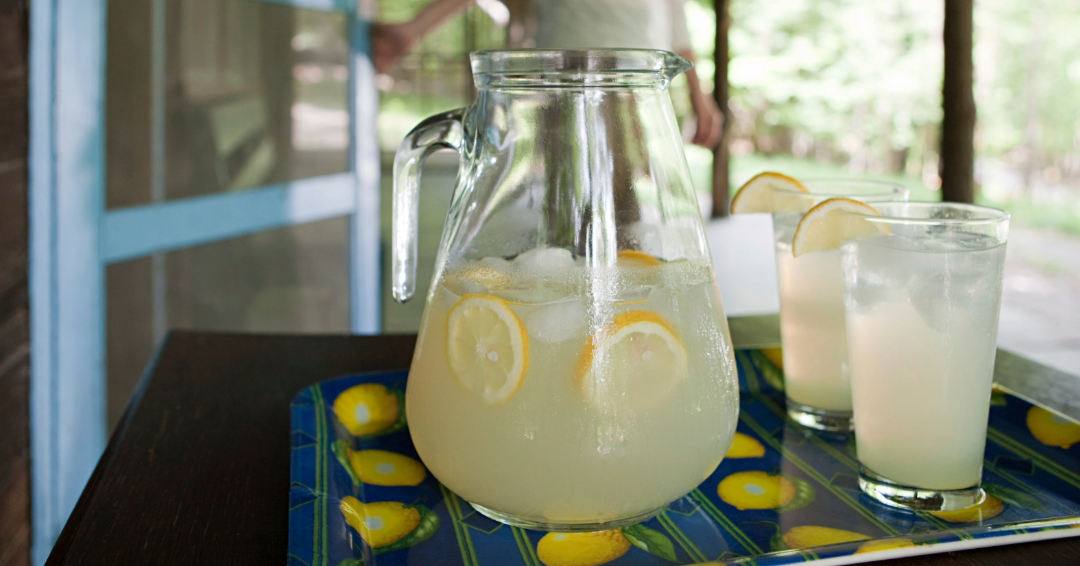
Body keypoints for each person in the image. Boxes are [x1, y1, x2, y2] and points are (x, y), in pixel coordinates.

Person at [372, 0, 723, 149]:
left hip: (643, 78)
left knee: (628, 204)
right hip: (571, 74)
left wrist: (699, 93)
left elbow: (674, 15)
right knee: (579, 204)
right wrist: (415, 30)